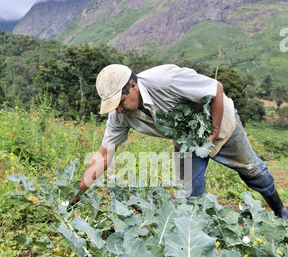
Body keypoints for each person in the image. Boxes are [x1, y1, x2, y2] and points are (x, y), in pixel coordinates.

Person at [78, 64, 288, 220]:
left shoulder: (166, 80)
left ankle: (281, 212)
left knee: (253, 171)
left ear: (133, 86)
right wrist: (76, 193)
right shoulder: (120, 116)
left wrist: (213, 133)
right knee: (188, 194)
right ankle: (196, 238)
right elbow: (104, 154)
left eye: (120, 102)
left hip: (221, 124)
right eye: (113, 106)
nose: (119, 109)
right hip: (187, 140)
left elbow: (216, 88)